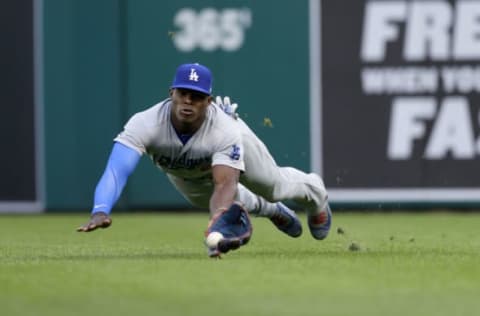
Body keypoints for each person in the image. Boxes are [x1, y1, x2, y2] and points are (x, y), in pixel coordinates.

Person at [77, 63, 332, 258]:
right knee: (204, 200)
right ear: (171, 93)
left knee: (273, 186)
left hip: (228, 148)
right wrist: (101, 209)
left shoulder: (224, 130)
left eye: (197, 96)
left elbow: (225, 184)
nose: (188, 100)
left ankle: (315, 191)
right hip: (185, 173)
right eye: (183, 93)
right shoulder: (145, 123)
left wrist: (217, 224)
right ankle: (270, 210)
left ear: (208, 101)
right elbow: (117, 170)